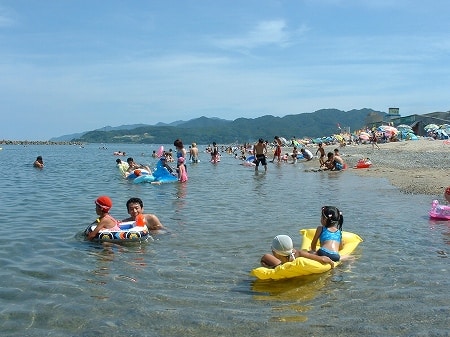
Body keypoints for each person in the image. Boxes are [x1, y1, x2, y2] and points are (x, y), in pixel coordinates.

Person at [260, 235, 335, 268]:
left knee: (265, 257)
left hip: (282, 265)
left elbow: (323, 259)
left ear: (275, 253)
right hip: (284, 263)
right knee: (265, 257)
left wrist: (332, 264)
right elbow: (323, 259)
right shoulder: (298, 253)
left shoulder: (299, 254)